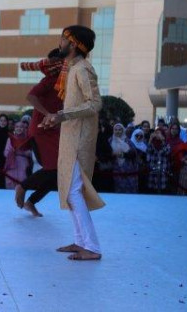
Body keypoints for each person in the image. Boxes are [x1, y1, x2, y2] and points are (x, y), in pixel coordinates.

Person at [42, 25, 105, 261]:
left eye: (63, 39)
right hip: (71, 136)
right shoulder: (73, 68)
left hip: (80, 139)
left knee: (74, 191)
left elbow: (95, 103)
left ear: (74, 43)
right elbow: (73, 107)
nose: (60, 43)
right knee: (70, 192)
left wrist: (63, 115)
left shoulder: (83, 69)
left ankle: (92, 247)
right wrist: (57, 118)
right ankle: (81, 242)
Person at [15, 49, 64, 217]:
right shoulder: (51, 79)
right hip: (42, 130)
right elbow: (31, 97)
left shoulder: (64, 80)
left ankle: (31, 202)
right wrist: (47, 113)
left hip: (53, 130)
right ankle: (23, 186)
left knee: (59, 173)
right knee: (54, 168)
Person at [110, 123, 138, 193]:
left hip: (128, 171)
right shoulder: (110, 141)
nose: (118, 131)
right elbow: (106, 153)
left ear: (123, 130)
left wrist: (123, 154)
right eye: (116, 130)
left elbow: (134, 153)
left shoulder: (128, 141)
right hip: (116, 170)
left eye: (120, 130)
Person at [3, 121, 32, 189]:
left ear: (24, 129)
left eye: (21, 127)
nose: (19, 128)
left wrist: (22, 152)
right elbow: (5, 153)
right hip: (11, 166)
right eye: (17, 127)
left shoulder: (28, 140)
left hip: (23, 165)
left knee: (22, 186)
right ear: (14, 128)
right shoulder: (10, 139)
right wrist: (12, 151)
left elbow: (31, 154)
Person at [146, 128, 171, 193]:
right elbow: (148, 152)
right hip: (153, 169)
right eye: (156, 133)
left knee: (162, 189)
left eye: (159, 133)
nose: (158, 135)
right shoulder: (152, 143)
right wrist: (150, 139)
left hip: (163, 169)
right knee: (152, 190)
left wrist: (163, 140)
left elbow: (166, 152)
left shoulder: (166, 143)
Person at [131, 128, 149, 193]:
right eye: (137, 135)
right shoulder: (130, 144)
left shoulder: (145, 145)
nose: (139, 137)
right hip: (132, 168)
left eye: (141, 136)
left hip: (142, 169)